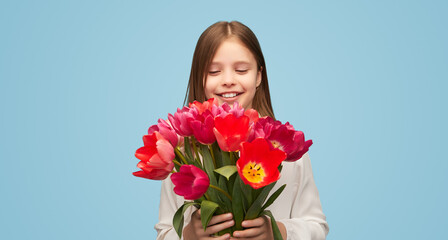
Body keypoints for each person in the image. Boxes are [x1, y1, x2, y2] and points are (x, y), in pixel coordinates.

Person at [155, 21, 329, 240]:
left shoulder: (286, 149)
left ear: (258, 76)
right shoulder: (181, 153)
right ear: (200, 78)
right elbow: (164, 232)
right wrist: (188, 235)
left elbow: (316, 226)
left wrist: (278, 232)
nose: (228, 80)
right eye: (214, 71)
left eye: (241, 70)